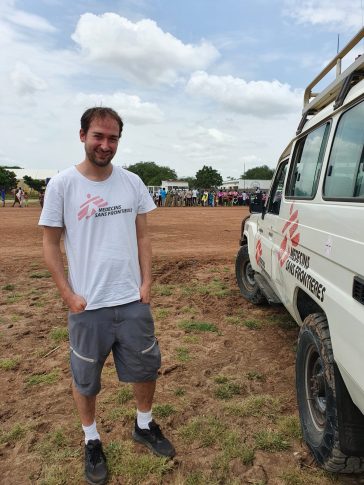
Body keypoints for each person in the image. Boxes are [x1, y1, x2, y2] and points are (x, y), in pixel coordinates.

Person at [39, 107, 175, 485]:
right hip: (87, 306)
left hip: (132, 300)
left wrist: (147, 283)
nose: (105, 144)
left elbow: (143, 235)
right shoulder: (62, 185)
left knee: (146, 367)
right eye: (98, 136)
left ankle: (144, 425)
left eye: (112, 138)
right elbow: (50, 244)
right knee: (86, 379)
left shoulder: (132, 182)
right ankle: (91, 438)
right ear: (82, 135)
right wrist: (67, 294)